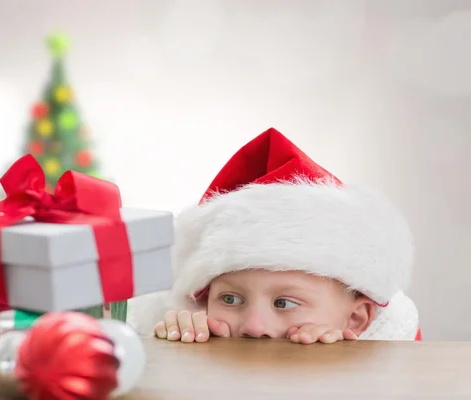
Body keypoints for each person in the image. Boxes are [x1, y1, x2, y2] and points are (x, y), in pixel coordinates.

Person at [127, 128, 421, 343]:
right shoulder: (196, 329)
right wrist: (175, 342)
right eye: (229, 298)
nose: (254, 327)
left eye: (285, 303)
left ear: (356, 319)